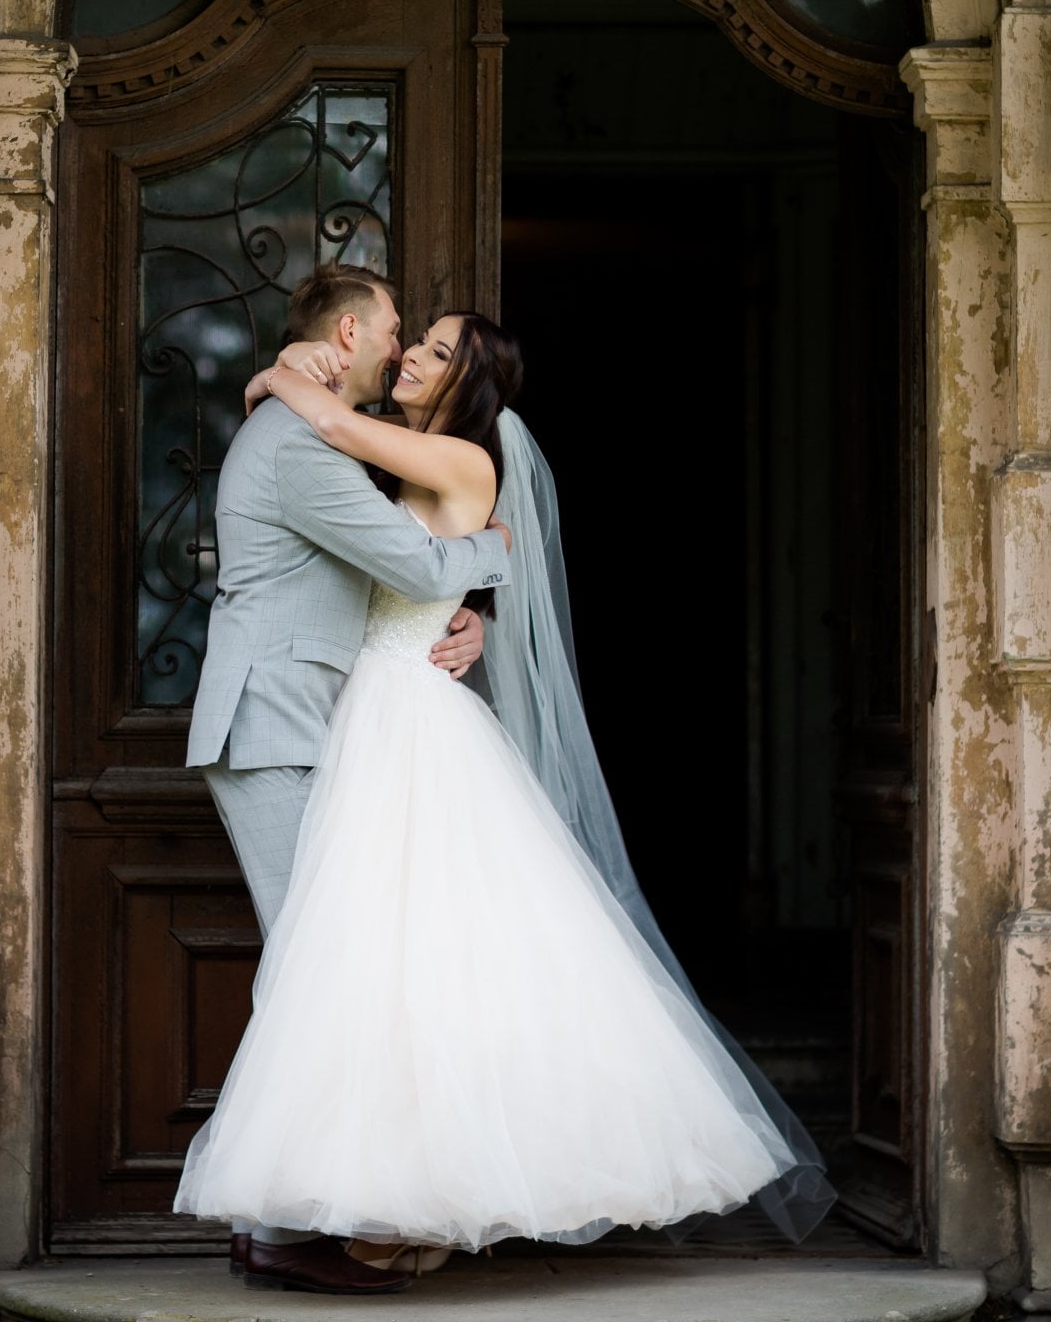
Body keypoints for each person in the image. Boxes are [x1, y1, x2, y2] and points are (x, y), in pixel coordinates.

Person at [175, 310, 831, 1282]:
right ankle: (378, 1202)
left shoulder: (463, 463)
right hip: (372, 715)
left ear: (468, 386)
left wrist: (279, 376)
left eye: (438, 353)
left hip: (413, 733)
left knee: (423, 966)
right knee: (378, 969)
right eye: (416, 340)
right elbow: (388, 555)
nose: (412, 357)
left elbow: (348, 438)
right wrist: (471, 610)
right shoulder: (411, 464)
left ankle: (418, 1212)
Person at [185, 268, 512, 1298]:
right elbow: (417, 570)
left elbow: (407, 558)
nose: (402, 347)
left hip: (305, 720)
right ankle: (284, 1222)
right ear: (353, 329)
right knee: (310, 969)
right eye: (396, 331)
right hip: (277, 722)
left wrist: (479, 598)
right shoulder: (303, 445)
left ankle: (285, 1216)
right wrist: (495, 555)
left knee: (318, 970)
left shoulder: (318, 427)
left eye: (429, 344)